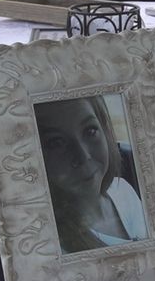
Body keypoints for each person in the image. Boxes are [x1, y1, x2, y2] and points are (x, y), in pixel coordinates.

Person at [34, 96, 147, 254]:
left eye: (90, 131)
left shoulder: (122, 189)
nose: (83, 155)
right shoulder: (50, 246)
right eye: (56, 143)